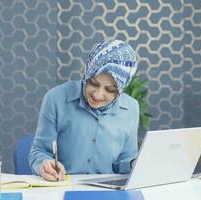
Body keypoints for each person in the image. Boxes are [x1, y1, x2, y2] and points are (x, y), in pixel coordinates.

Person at [28, 40, 139, 182]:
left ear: (121, 89)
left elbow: (123, 164)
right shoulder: (55, 98)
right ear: (86, 72)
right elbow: (39, 151)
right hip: (61, 187)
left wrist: (132, 164)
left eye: (110, 90)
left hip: (106, 193)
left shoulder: (131, 108)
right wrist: (43, 163)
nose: (98, 95)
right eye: (93, 83)